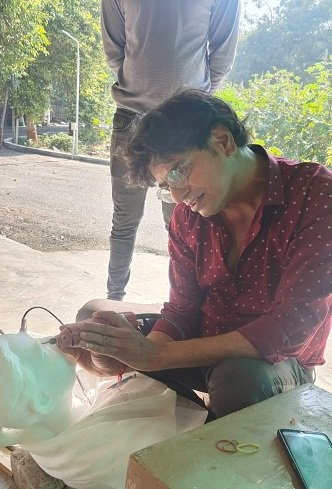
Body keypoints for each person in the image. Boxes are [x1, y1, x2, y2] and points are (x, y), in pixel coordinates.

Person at [61, 89, 332, 419]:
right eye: (165, 186)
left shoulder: (314, 194)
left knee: (237, 381)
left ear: (222, 141)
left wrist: (155, 357)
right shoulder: (188, 217)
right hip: (206, 336)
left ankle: (212, 432)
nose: (177, 196)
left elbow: (290, 328)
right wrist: (130, 348)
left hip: (277, 361)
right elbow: (183, 309)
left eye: (178, 172)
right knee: (96, 320)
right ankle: (196, 415)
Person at [102, 0, 241, 300]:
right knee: (125, 219)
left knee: (187, 224)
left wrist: (190, 104)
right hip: (132, 115)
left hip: (186, 122)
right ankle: (113, 301)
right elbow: (114, 50)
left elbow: (222, 55)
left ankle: (185, 306)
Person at [0, 332, 206, 489]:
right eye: (42, 350)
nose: (51, 341)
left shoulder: (35, 432)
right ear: (42, 399)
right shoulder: (116, 444)